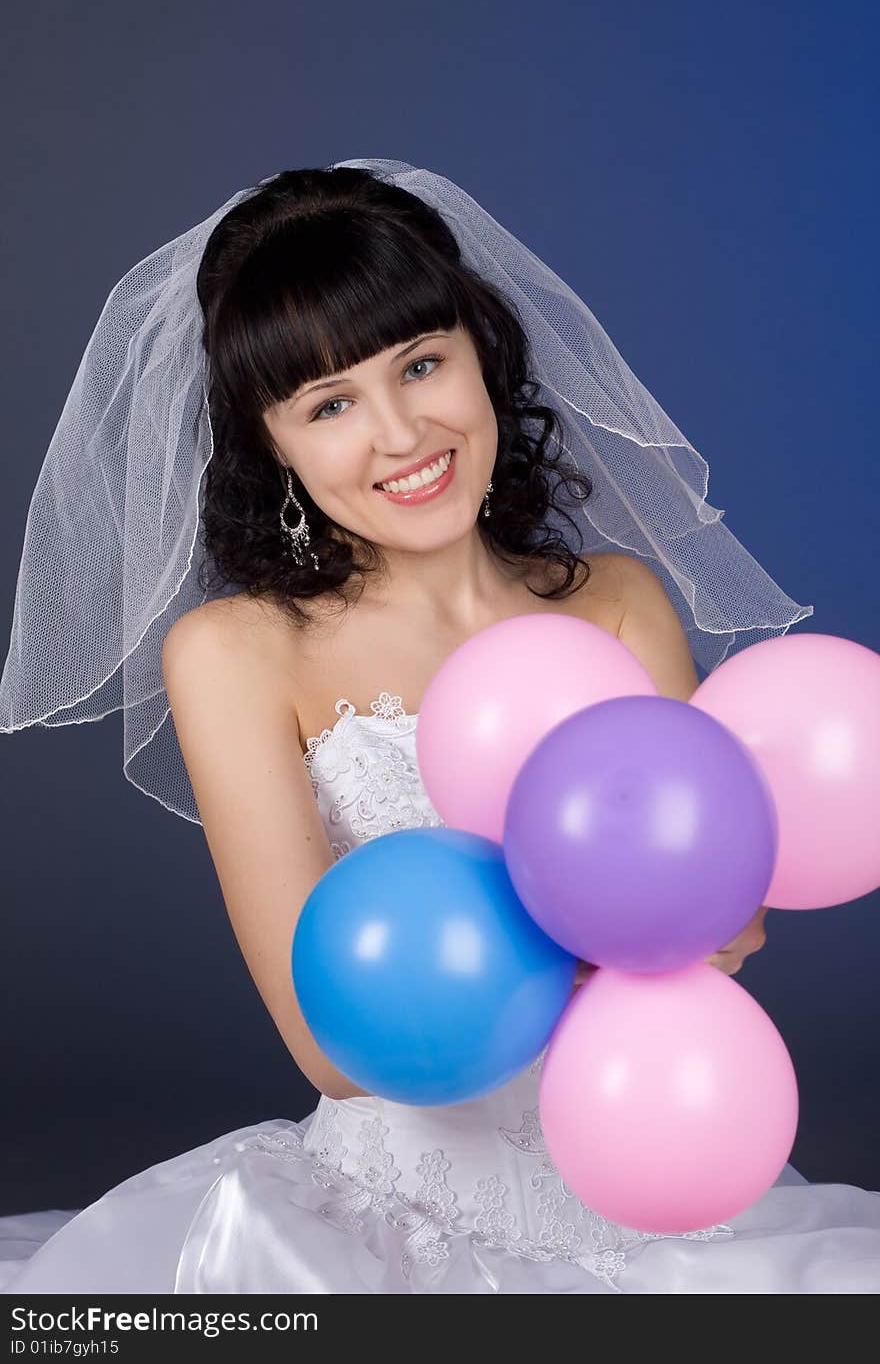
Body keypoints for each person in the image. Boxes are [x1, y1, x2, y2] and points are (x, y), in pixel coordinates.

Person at [1, 161, 877, 1293]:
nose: (402, 431)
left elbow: (725, 916)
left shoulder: (618, 603)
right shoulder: (235, 652)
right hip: (390, 1219)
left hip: (661, 1175)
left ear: (482, 355)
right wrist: (596, 939)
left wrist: (708, 923)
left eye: (421, 364)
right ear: (273, 446)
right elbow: (328, 1042)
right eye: (330, 405)